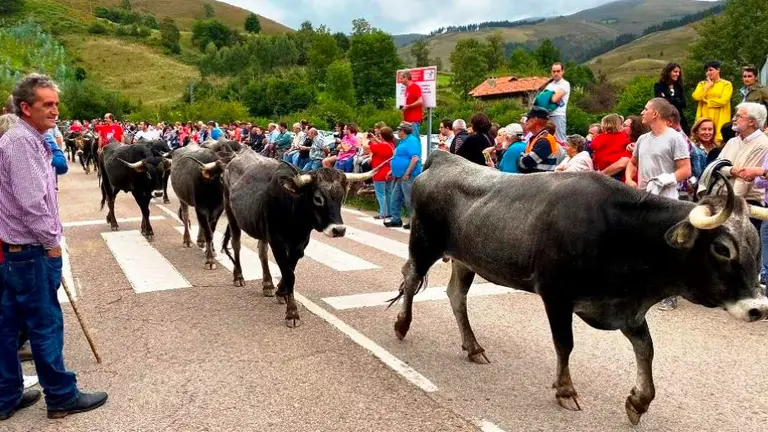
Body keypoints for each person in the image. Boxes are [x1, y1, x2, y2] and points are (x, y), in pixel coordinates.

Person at [0, 74, 108, 421]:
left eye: (56, 103)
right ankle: (61, 396)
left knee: (7, 325)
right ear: (26, 107)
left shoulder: (29, 138)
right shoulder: (21, 142)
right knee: (45, 323)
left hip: (14, 251)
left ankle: (6, 395)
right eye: (47, 104)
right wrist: (52, 244)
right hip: (30, 250)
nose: (55, 110)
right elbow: (33, 202)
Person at [625, 98, 691, 311]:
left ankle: (670, 293)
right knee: (643, 243)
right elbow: (632, 163)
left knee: (667, 246)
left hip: (666, 199)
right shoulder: (643, 139)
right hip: (644, 198)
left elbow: (685, 169)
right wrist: (629, 179)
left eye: (645, 109)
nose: (642, 113)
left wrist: (667, 178)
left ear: (655, 114)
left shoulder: (675, 138)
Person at [384, 122, 421, 230]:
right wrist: (392, 170)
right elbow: (398, 157)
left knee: (409, 199)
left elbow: (415, 158)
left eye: (399, 130)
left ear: (403, 131)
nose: (397, 132)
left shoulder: (412, 141)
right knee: (395, 197)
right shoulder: (403, 141)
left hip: (408, 176)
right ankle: (396, 219)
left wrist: (407, 173)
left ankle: (413, 221)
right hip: (400, 175)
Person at [692, 61, 733, 143]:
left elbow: (723, 101)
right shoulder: (702, 84)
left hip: (720, 118)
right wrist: (706, 87)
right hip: (704, 116)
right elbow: (696, 97)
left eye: (711, 70)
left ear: (718, 70)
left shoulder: (726, 84)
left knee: (718, 142)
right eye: (706, 71)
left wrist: (706, 101)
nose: (708, 73)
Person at [518, 108, 563, 173]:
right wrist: (523, 158)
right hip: (536, 179)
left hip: (541, 181)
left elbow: (525, 164)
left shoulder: (544, 141)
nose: (526, 122)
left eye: (528, 118)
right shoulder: (536, 138)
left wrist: (521, 157)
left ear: (535, 120)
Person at [591, 114, 632, 181]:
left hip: (603, 168)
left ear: (603, 125)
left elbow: (592, 146)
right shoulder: (624, 137)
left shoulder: (600, 137)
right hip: (618, 172)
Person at [366, 127, 396, 219]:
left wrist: (364, 138)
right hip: (389, 172)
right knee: (389, 193)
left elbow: (366, 148)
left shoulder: (379, 147)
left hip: (379, 173)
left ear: (382, 136)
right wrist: (375, 138)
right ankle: (390, 212)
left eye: (379, 135)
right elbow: (384, 144)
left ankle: (382, 213)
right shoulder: (391, 145)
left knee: (381, 194)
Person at [655, 63, 688, 134]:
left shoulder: (679, 87)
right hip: (665, 118)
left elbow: (684, 104)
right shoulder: (659, 86)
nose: (678, 74)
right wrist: (676, 100)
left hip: (679, 118)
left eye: (679, 72)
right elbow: (661, 103)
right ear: (668, 72)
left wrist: (669, 99)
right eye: (675, 72)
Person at [544, 62, 571, 143]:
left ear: (563, 71)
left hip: (558, 115)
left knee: (560, 140)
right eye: (554, 71)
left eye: (558, 71)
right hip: (547, 115)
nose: (556, 73)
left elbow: (554, 99)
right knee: (548, 140)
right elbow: (542, 99)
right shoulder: (549, 85)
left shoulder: (565, 84)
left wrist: (548, 96)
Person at [399, 71, 423, 136]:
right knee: (409, 139)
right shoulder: (407, 88)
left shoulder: (414, 87)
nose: (400, 81)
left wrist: (409, 106)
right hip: (407, 119)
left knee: (415, 139)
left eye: (401, 79)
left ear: (406, 78)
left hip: (414, 119)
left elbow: (420, 101)